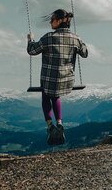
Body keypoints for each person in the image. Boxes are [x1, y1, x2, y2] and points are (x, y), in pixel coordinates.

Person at [27, 9, 88, 145]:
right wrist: (80, 41)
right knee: (56, 95)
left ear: (59, 21)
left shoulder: (48, 37)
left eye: (52, 19)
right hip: (66, 81)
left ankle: (50, 126)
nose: (50, 21)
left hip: (48, 79)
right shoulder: (75, 38)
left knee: (46, 95)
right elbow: (85, 53)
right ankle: (59, 123)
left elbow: (32, 50)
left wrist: (30, 39)